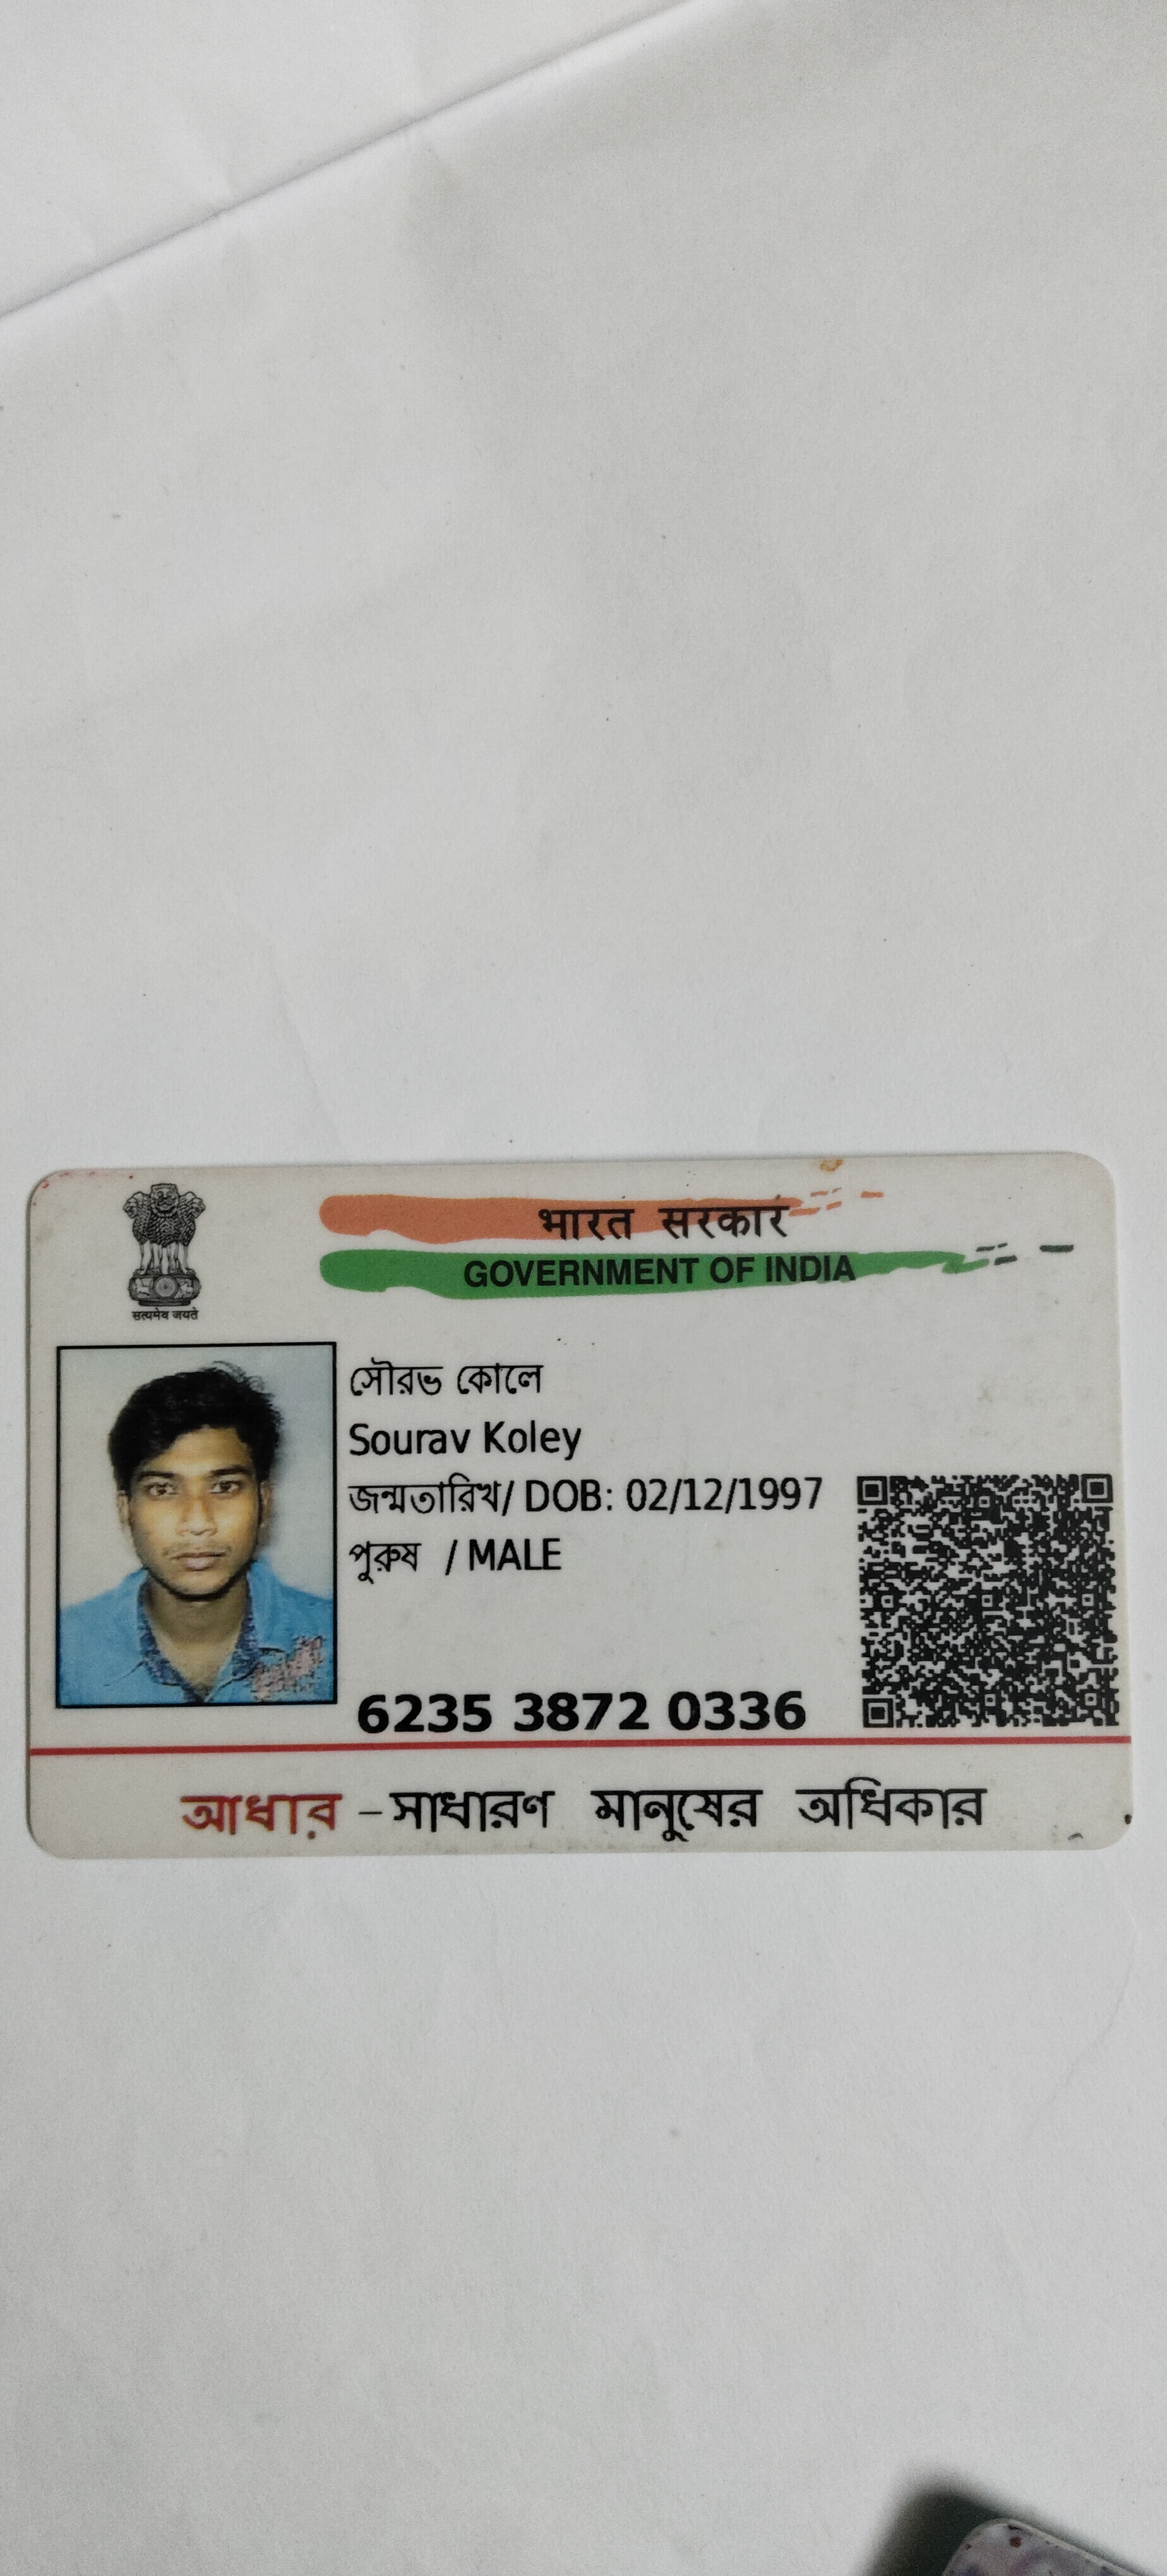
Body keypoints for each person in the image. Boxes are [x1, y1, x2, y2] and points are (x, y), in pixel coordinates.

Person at [58, 1364, 334, 1705]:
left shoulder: (335, 1636)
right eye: (162, 1490)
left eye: (225, 1487)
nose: (198, 1522)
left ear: (264, 1503)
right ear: (126, 1511)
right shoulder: (59, 1651)